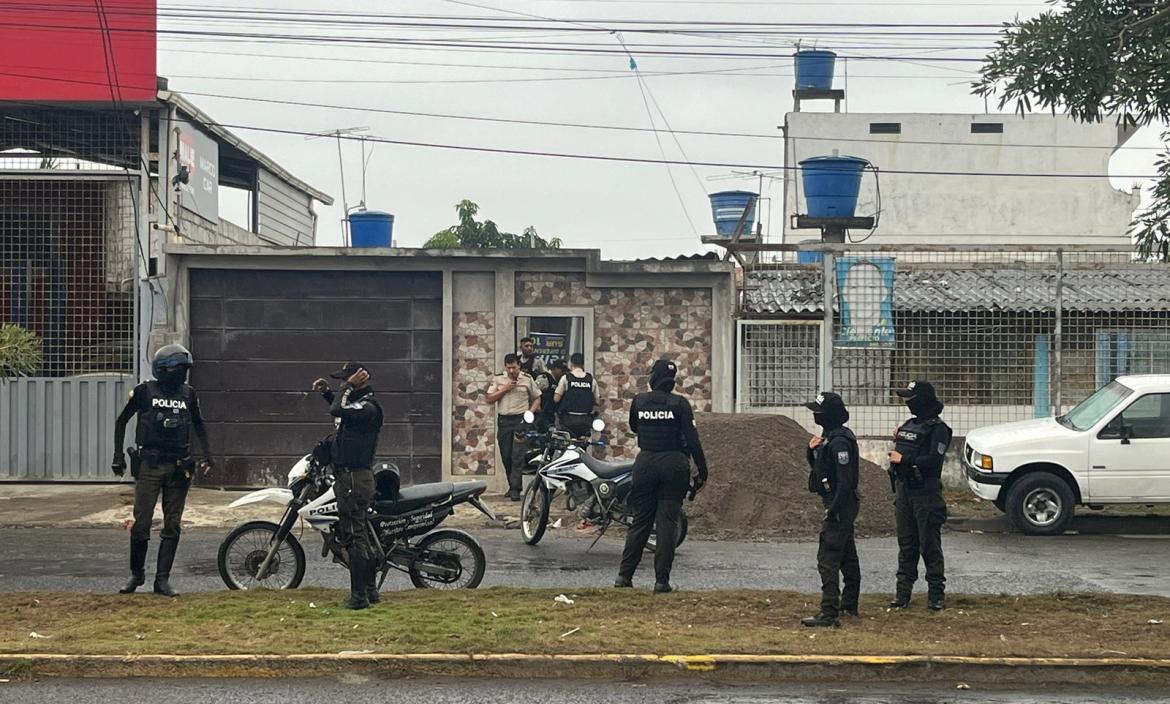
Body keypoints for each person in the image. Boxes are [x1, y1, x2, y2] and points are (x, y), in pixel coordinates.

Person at [112, 343, 213, 597]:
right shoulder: (145, 391)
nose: (184, 374)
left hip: (179, 467)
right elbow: (122, 420)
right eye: (180, 369)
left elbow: (199, 425)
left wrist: (209, 456)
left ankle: (163, 580)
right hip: (150, 465)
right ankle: (136, 575)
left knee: (173, 524)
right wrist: (118, 456)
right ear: (165, 369)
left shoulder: (189, 394)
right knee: (142, 522)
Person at [615, 359, 708, 593]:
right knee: (667, 523)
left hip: (645, 463)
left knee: (640, 521)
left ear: (653, 378)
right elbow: (693, 440)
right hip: (674, 465)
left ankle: (624, 577)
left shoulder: (639, 401)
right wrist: (702, 470)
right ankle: (661, 581)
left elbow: (635, 427)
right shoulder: (680, 404)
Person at [312, 363, 385, 610]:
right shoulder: (358, 407)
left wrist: (347, 387)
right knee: (360, 535)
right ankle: (370, 591)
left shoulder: (369, 408)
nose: (343, 384)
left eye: (348, 380)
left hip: (355, 479)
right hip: (351, 478)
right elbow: (341, 408)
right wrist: (326, 394)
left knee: (354, 538)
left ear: (360, 382)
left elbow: (339, 410)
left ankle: (358, 597)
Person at [888, 379, 953, 611]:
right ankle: (902, 594)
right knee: (906, 544)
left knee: (929, 545)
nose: (908, 403)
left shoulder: (938, 429)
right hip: (905, 491)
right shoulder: (909, 425)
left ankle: (936, 595)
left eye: (911, 399)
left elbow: (934, 461)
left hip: (926, 493)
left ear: (923, 400)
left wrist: (904, 459)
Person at [801, 392, 861, 628]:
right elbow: (820, 470)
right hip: (838, 503)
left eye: (818, 412)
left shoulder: (840, 442)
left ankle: (829, 612)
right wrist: (810, 450)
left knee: (827, 557)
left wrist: (833, 510)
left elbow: (845, 481)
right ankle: (849, 603)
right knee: (847, 554)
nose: (815, 415)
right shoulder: (829, 438)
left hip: (841, 504)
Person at [486, 353, 541, 501]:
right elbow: (489, 398)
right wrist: (504, 389)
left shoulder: (527, 379)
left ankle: (516, 489)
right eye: (509, 368)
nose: (512, 371)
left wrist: (529, 413)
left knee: (517, 455)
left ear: (519, 366)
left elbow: (537, 398)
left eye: (514, 368)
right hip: (504, 421)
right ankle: (512, 486)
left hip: (520, 420)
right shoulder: (498, 379)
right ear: (505, 367)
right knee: (506, 455)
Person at [554, 353, 599, 439]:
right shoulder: (591, 380)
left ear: (571, 364)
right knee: (582, 445)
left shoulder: (566, 378)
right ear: (583, 364)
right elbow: (597, 401)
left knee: (566, 444)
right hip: (585, 421)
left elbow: (556, 399)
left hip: (567, 421)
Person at [535, 359, 567, 433]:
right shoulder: (545, 378)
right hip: (541, 415)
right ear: (554, 369)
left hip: (551, 415)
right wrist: (537, 405)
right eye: (561, 370)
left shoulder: (560, 381)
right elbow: (533, 392)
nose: (564, 373)